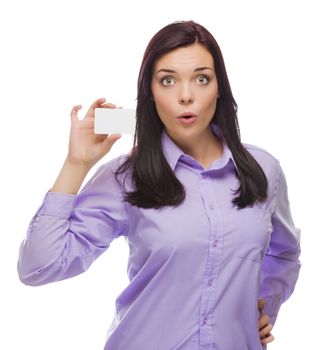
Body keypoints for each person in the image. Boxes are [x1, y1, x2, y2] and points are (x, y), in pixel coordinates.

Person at [17, 20, 301, 350]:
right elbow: (37, 267)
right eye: (168, 80)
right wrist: (76, 164)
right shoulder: (125, 176)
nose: (186, 96)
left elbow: (284, 254)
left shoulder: (264, 169)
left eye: (201, 79)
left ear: (219, 87)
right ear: (150, 93)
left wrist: (263, 304)